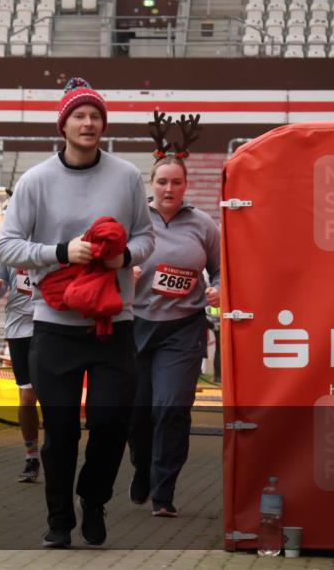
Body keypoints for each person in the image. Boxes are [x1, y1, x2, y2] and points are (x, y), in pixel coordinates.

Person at [0, 78, 155, 549]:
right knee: (60, 432)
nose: (89, 123)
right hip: (55, 325)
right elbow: (7, 246)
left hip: (113, 325)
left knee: (109, 423)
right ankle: (59, 520)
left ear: (104, 124)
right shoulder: (37, 180)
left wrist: (121, 259)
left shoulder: (126, 176)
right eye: (79, 116)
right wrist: (63, 251)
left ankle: (95, 498)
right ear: (63, 124)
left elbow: (146, 237)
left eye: (96, 116)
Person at [128, 153, 221, 518]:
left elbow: (221, 269)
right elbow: (106, 264)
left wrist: (220, 289)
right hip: (135, 326)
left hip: (183, 327)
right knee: (137, 413)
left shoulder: (202, 225)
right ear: (151, 185)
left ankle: (163, 490)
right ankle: (142, 467)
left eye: (176, 182)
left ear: (186, 185)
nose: (169, 188)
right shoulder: (133, 221)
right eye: (162, 182)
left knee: (171, 408)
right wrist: (123, 274)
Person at [0, 247, 40, 482]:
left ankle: (58, 453)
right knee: (27, 397)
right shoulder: (6, 246)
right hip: (20, 329)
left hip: (54, 326)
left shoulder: (57, 233)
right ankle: (32, 455)